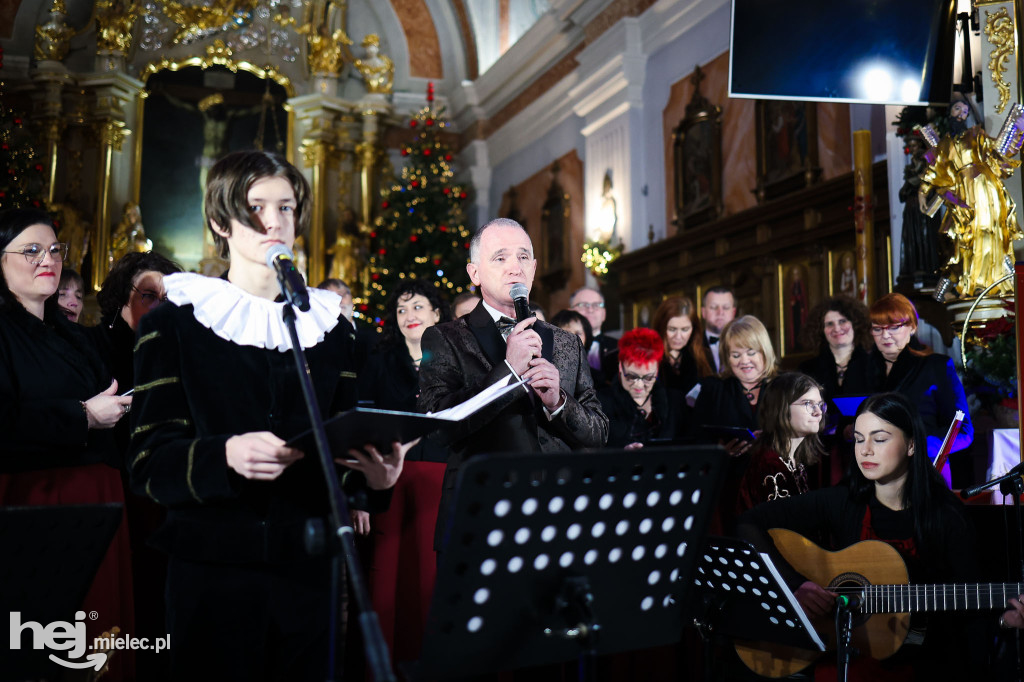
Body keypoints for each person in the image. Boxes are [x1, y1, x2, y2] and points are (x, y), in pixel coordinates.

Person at [128, 150, 413, 681]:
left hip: (310, 568)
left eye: (286, 207)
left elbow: (343, 443)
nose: (274, 221)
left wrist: (376, 481)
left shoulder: (333, 330)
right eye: (255, 207)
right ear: (220, 221)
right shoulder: (176, 323)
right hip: (213, 569)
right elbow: (148, 462)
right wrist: (224, 454)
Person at [737, 392, 983, 680]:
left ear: (912, 445)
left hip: (919, 666)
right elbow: (748, 523)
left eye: (879, 439)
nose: (865, 450)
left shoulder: (946, 517)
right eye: (858, 439)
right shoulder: (844, 502)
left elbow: (971, 619)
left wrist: (1003, 619)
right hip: (843, 665)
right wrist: (795, 584)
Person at [0, 208, 135, 680]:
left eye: (55, 250)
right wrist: (81, 415)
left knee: (99, 642)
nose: (48, 260)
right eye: (31, 250)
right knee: (49, 642)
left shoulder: (73, 334)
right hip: (39, 503)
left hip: (99, 494)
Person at [419, 218, 608, 549]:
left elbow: (598, 432)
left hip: (558, 513)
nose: (514, 268)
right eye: (500, 257)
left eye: (523, 257)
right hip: (482, 513)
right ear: (474, 273)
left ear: (534, 269)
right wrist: (508, 371)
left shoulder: (565, 342)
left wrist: (559, 402)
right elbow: (439, 425)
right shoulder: (444, 338)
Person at [357, 279, 450, 665]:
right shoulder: (378, 362)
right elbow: (360, 430)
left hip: (439, 482)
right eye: (400, 309)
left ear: (436, 314)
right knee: (388, 583)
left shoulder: (454, 360)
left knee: (430, 581)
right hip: (389, 484)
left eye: (417, 307)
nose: (408, 316)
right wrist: (360, 496)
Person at [868, 293, 972, 479]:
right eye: (877, 328)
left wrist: (916, 444)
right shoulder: (861, 368)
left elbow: (963, 431)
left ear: (913, 327)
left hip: (925, 471)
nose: (885, 335)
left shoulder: (936, 366)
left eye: (894, 327)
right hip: (873, 474)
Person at [692, 315, 778, 534]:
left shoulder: (784, 387)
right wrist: (719, 452)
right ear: (726, 357)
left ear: (764, 352)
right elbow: (696, 438)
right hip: (728, 489)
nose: (744, 360)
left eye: (751, 352)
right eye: (736, 354)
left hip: (775, 488)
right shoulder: (713, 389)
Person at [736, 372, 825, 514]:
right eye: (807, 403)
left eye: (820, 405)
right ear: (781, 408)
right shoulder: (769, 464)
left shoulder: (793, 459)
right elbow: (782, 531)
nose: (818, 412)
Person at [597, 327, 684, 449]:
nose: (639, 385)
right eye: (632, 377)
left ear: (657, 370)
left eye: (648, 378)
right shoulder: (600, 403)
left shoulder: (674, 402)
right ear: (621, 367)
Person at [798, 295, 874, 398]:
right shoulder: (806, 370)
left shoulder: (874, 364)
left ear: (856, 325)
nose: (837, 329)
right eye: (829, 324)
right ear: (821, 330)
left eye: (842, 321)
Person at [651, 295, 714, 394]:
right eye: (672, 329)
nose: (678, 336)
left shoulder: (704, 356)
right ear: (661, 327)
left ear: (693, 329)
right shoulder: (648, 356)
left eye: (685, 329)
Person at [317, 277, 376, 368]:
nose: (339, 301)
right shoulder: (313, 342)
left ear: (352, 300)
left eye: (343, 295)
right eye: (332, 297)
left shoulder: (374, 339)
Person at [570, 286, 617, 384]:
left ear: (604, 314)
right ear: (570, 312)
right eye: (583, 305)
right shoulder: (561, 347)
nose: (590, 310)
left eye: (596, 305)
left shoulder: (618, 347)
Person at [700, 285, 737, 373]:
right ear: (703, 312)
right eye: (713, 307)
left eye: (726, 307)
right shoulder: (691, 345)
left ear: (733, 312)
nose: (720, 312)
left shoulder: (746, 342)